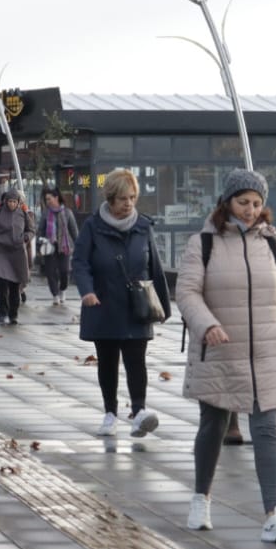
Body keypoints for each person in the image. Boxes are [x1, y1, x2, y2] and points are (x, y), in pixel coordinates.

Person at [177, 169, 276, 543]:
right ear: (227, 202)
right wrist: (207, 324)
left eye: (257, 203)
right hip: (221, 351)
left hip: (267, 353)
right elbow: (187, 292)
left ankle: (275, 513)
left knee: (267, 429)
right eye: (243, 202)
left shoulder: (272, 244)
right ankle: (201, 497)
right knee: (214, 426)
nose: (251, 210)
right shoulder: (203, 243)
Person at [72, 168, 170, 437]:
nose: (129, 204)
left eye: (133, 198)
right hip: (103, 304)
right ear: (111, 198)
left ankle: (139, 412)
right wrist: (87, 291)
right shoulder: (93, 226)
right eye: (124, 198)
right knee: (108, 361)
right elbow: (80, 262)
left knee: (136, 360)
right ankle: (110, 413)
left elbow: (155, 266)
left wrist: (163, 305)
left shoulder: (143, 227)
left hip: (137, 306)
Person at [0, 189, 35, 326]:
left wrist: (26, 237)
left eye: (14, 201)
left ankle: (13, 314)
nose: (12, 204)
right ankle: (2, 312)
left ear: (18, 202)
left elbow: (31, 230)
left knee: (15, 285)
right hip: (1, 251)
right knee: (2, 283)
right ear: (5, 201)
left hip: (17, 252)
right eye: (10, 201)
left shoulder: (23, 214)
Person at [38, 189, 79, 305]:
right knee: (50, 272)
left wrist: (79, 246)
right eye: (46, 199)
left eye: (49, 199)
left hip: (64, 246)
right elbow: (40, 230)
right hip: (49, 246)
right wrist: (39, 243)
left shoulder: (67, 212)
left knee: (64, 271)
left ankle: (63, 289)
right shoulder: (46, 213)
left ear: (56, 198)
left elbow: (74, 231)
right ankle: (55, 294)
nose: (47, 201)